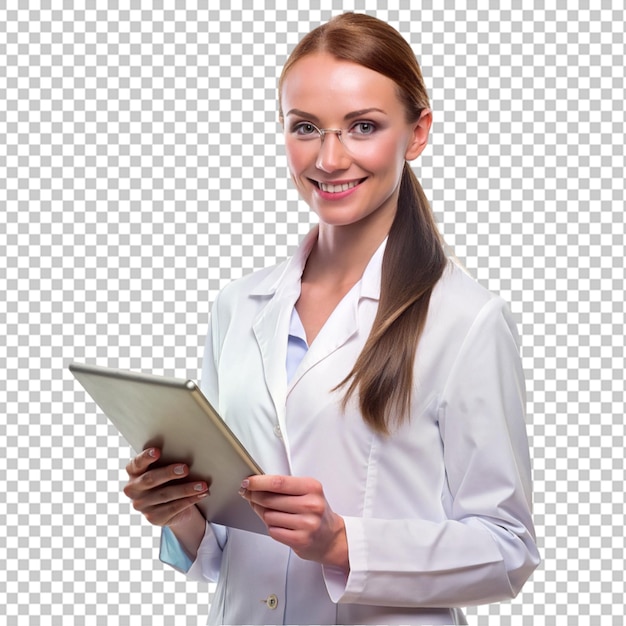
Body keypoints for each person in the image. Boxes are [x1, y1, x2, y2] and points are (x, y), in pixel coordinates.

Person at [123, 12, 540, 625]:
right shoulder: (238, 306)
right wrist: (179, 508)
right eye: (306, 127)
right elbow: (223, 550)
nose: (330, 157)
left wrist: (343, 543)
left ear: (417, 133)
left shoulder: (466, 320)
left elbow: (507, 550)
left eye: (363, 127)